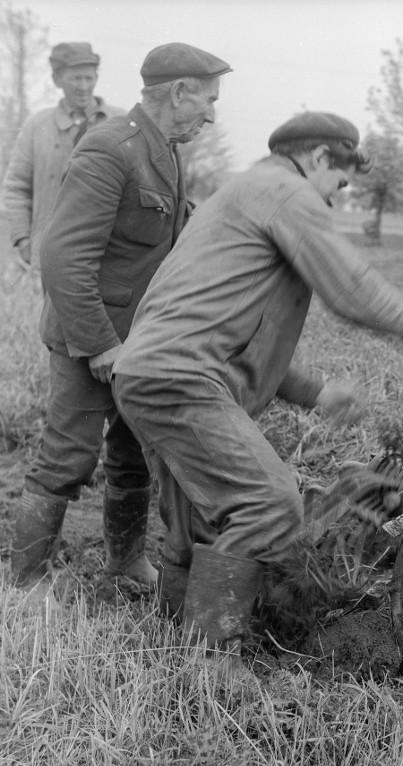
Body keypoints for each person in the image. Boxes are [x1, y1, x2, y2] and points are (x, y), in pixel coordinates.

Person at [112, 111, 403, 669]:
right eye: (340, 180)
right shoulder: (285, 191)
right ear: (317, 158)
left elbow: (235, 332)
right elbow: (348, 284)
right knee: (269, 504)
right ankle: (209, 664)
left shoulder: (238, 195)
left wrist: (315, 391)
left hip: (148, 372)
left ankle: (172, 641)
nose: (339, 195)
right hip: (182, 376)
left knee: (199, 513)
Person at [7, 42, 233, 600]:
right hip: (92, 342)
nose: (211, 113)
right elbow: (63, 257)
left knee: (132, 457)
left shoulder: (166, 150)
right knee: (67, 457)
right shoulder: (110, 147)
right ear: (177, 92)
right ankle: (25, 583)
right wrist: (101, 345)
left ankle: (126, 560)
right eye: (207, 99)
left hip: (140, 344)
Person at [1, 42, 125, 281]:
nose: (84, 87)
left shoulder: (120, 121)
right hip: (49, 254)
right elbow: (16, 187)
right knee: (49, 317)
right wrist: (23, 239)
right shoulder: (37, 126)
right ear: (57, 79)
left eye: (89, 78)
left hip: (109, 255)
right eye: (75, 79)